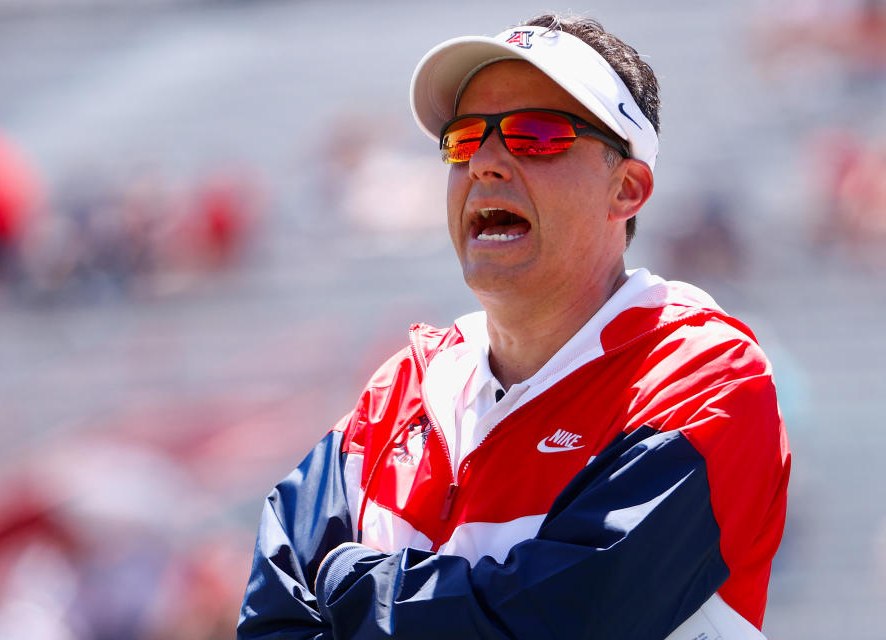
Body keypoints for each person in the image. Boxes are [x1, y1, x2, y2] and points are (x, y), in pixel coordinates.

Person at [237, 13, 790, 640]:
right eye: (465, 139)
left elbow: (567, 621)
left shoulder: (704, 377)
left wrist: (349, 583)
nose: (486, 165)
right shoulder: (399, 393)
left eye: (535, 135)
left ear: (627, 189)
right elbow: (269, 623)